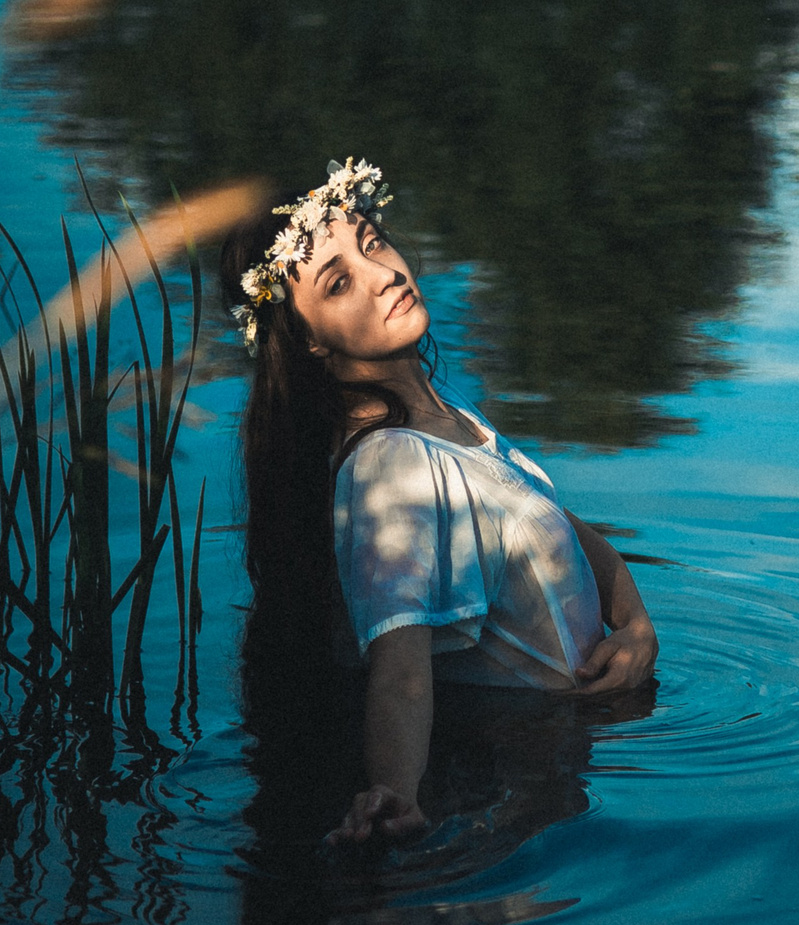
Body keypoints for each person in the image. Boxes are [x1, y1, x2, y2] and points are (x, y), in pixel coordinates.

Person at [219, 158, 657, 847]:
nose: (384, 273)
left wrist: (636, 629)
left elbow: (564, 527)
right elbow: (401, 662)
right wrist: (393, 791)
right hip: (525, 772)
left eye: (372, 242)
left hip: (576, 748)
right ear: (307, 339)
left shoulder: (450, 418)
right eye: (340, 283)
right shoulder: (390, 465)